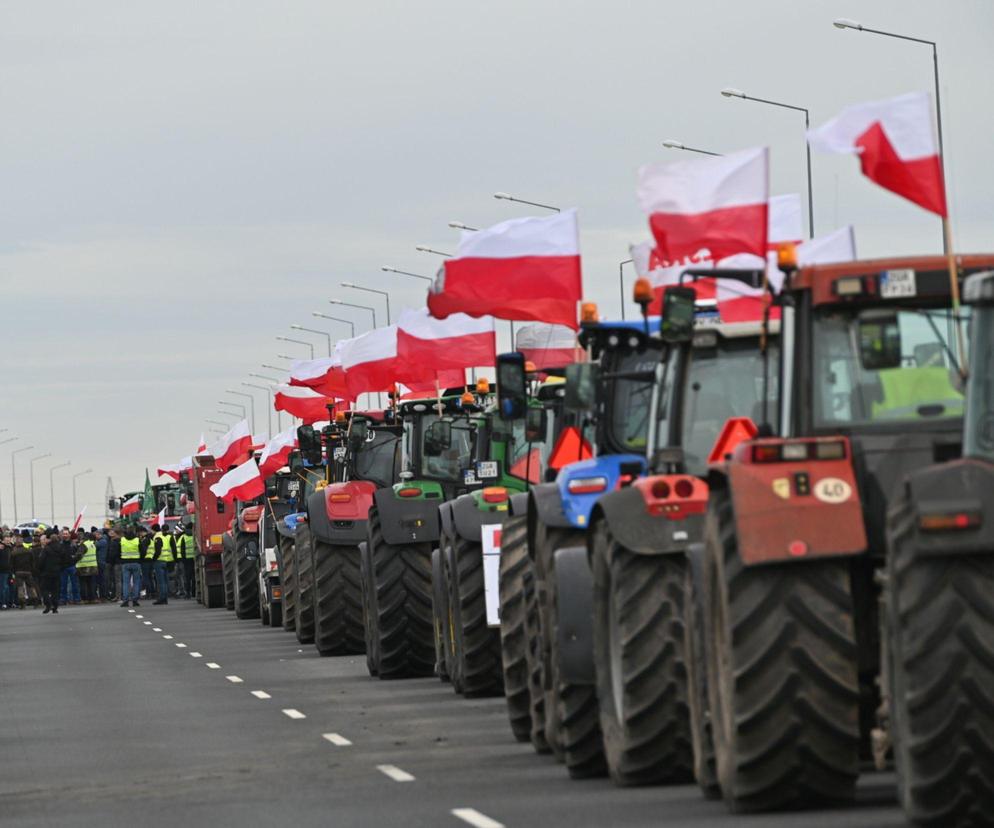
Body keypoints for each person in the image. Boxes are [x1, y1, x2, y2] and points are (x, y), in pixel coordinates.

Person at [37, 531, 70, 614]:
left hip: (46, 572)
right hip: (57, 572)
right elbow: (65, 560)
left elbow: (41, 561)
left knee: (44, 589)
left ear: (50, 540)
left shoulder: (46, 548)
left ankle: (48, 604)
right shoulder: (61, 548)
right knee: (56, 590)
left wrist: (40, 569)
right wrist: (61, 568)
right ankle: (55, 606)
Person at [12, 531, 40, 608]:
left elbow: (12, 563)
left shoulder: (14, 552)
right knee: (31, 587)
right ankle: (35, 600)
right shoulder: (29, 551)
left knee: (20, 587)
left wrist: (14, 571)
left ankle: (22, 602)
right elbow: (32, 561)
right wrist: (31, 569)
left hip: (18, 572)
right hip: (28, 571)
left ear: (16, 543)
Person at [151, 524, 174, 605]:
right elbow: (173, 549)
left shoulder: (157, 537)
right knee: (165, 581)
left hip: (159, 561)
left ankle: (162, 598)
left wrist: (153, 559)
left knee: (161, 582)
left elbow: (158, 551)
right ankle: (165, 598)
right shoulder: (167, 537)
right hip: (167, 561)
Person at [119, 527, 142, 608]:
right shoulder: (137, 540)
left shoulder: (122, 540)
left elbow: (118, 551)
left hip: (125, 563)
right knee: (136, 582)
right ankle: (135, 600)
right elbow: (142, 550)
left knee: (126, 583)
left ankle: (125, 600)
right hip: (136, 562)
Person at [59, 528, 81, 605]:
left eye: (66, 533)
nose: (65, 535)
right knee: (63, 585)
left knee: (75, 584)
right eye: (64, 534)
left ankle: (76, 599)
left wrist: (74, 559)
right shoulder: (60, 545)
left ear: (69, 535)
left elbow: (79, 554)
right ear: (61, 535)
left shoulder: (73, 544)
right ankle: (63, 599)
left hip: (72, 566)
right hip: (63, 567)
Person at [76, 532, 99, 603]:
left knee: (83, 584)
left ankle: (84, 599)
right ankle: (92, 598)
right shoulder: (93, 544)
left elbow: (79, 555)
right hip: (93, 566)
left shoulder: (84, 545)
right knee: (91, 584)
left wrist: (73, 557)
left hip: (83, 567)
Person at [177, 525, 196, 600]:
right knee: (194, 576)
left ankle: (188, 593)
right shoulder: (195, 535)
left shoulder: (183, 537)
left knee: (187, 578)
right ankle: (194, 592)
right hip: (194, 559)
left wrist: (183, 559)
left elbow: (182, 549)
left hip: (186, 560)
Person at [93, 527, 109, 601]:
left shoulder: (102, 541)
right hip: (100, 562)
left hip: (101, 562)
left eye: (96, 535)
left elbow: (94, 546)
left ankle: (104, 595)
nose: (95, 536)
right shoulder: (103, 541)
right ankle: (103, 595)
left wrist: (94, 541)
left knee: (101, 580)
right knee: (100, 580)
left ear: (100, 534)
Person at [104, 528, 120, 601]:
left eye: (112, 532)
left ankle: (118, 596)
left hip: (115, 562)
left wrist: (109, 560)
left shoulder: (116, 541)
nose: (110, 533)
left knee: (117, 580)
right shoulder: (110, 540)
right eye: (110, 532)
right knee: (113, 580)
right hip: (112, 562)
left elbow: (114, 553)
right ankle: (114, 594)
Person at [138, 526, 153, 600]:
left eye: (141, 532)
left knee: (146, 577)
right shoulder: (149, 538)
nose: (140, 534)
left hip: (145, 560)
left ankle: (149, 593)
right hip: (149, 559)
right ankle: (151, 592)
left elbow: (143, 551)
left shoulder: (146, 540)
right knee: (149, 577)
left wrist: (140, 558)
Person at [0, 533, 13, 609]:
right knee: (3, 587)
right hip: (2, 570)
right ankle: (3, 602)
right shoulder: (2, 547)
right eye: (6, 537)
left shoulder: (10, 547)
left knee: (9, 586)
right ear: (2, 539)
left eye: (9, 537)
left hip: (10, 570)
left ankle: (8, 602)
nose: (8, 539)